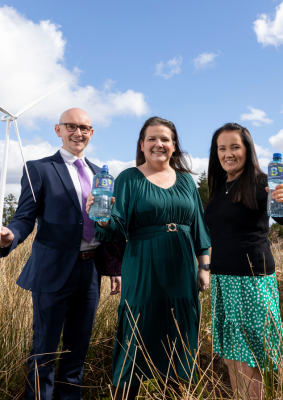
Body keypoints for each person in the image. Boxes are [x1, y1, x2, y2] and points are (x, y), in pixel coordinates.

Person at [0, 108, 123, 400]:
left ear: (92, 132)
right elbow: (24, 218)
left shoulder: (102, 174)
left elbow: (107, 227)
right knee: (44, 350)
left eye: (85, 128)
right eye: (71, 126)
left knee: (78, 348)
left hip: (90, 271)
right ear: (58, 130)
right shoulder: (38, 168)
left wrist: (114, 268)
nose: (78, 133)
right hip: (53, 271)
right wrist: (9, 236)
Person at [86, 116, 211, 399]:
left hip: (181, 271)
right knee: (136, 338)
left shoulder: (187, 182)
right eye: (152, 139)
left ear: (174, 145)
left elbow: (200, 229)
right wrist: (103, 220)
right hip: (142, 268)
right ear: (141, 145)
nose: (159, 144)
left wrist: (204, 267)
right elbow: (114, 228)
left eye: (165, 139)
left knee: (180, 341)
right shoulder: (129, 178)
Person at [204, 123, 283, 400]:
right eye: (222, 148)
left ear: (247, 150)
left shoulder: (260, 182)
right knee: (234, 356)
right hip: (223, 280)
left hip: (249, 281)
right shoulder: (220, 187)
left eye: (235, 147)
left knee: (248, 360)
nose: (228, 153)